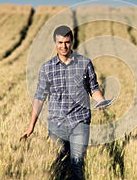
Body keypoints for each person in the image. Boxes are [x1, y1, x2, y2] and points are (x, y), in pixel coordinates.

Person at [20, 25, 107, 179]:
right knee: (59, 164)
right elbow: (39, 97)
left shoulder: (85, 63)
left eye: (66, 42)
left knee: (77, 163)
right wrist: (30, 126)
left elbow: (93, 88)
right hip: (56, 123)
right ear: (55, 43)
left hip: (80, 121)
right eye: (60, 42)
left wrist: (101, 100)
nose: (63, 46)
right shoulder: (47, 68)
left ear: (72, 41)